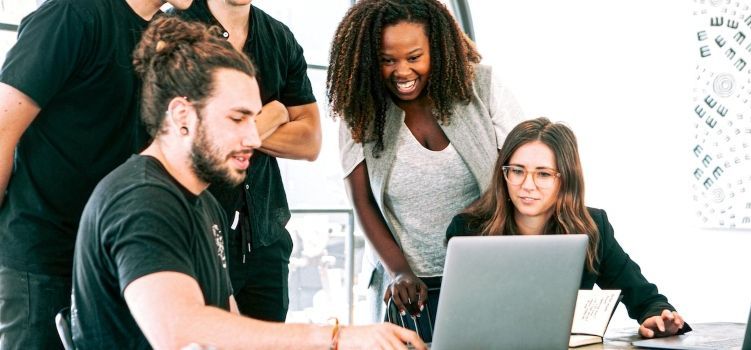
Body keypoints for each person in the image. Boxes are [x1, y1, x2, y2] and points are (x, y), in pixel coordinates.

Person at [70, 16, 425, 350]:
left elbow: (229, 324)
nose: (254, 138)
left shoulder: (205, 203)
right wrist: (334, 337)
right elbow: (181, 331)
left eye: (254, 119)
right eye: (237, 118)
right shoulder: (142, 200)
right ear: (182, 115)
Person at [0, 0, 191, 347]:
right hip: (44, 258)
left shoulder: (167, 34)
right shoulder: (73, 13)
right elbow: (2, 129)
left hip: (115, 258)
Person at [327, 0, 524, 323]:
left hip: (488, 271)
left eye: (414, 57)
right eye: (387, 60)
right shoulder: (359, 110)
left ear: (438, 48)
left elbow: (522, 174)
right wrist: (399, 271)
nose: (402, 71)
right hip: (408, 288)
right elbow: (362, 203)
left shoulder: (482, 87)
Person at [446, 117, 689, 338]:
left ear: (565, 179)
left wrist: (658, 317)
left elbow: (645, 298)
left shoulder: (593, 228)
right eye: (517, 171)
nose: (527, 185)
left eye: (543, 174)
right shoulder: (468, 230)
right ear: (504, 174)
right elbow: (457, 317)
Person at [169, 0, 321, 322]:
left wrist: (229, 130)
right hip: (195, 236)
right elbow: (181, 137)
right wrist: (275, 114)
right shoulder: (173, 32)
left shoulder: (279, 37)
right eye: (240, 116)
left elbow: (310, 141)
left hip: (265, 238)